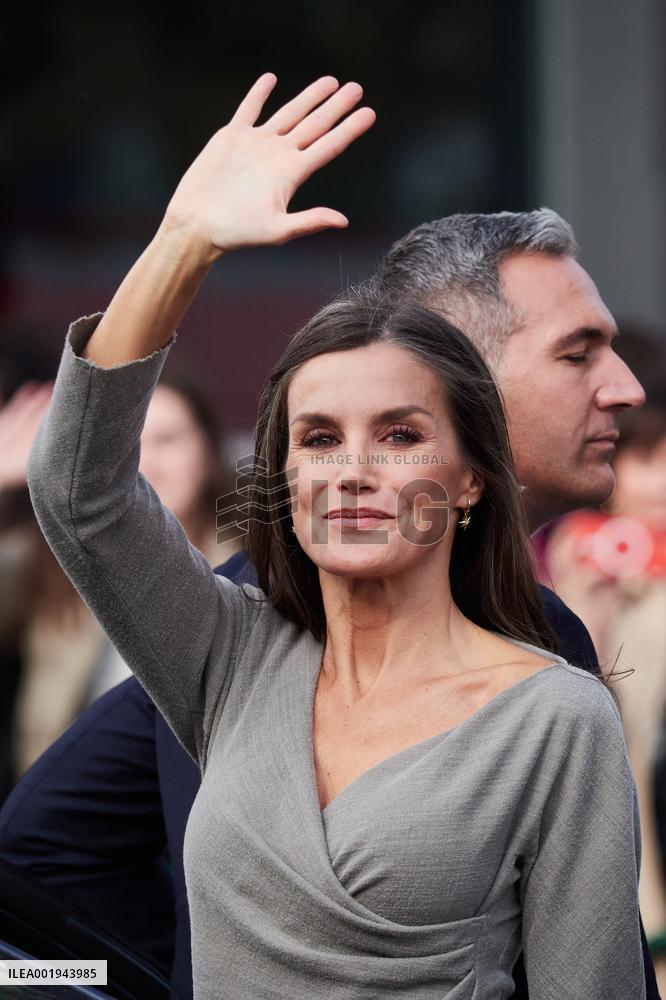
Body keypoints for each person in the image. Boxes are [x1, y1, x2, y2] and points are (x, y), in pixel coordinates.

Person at [23, 74, 645, 999]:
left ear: (473, 476)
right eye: (317, 439)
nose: (351, 469)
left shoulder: (556, 713)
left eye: (399, 436)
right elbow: (80, 490)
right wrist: (183, 244)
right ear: (283, 477)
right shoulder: (230, 655)